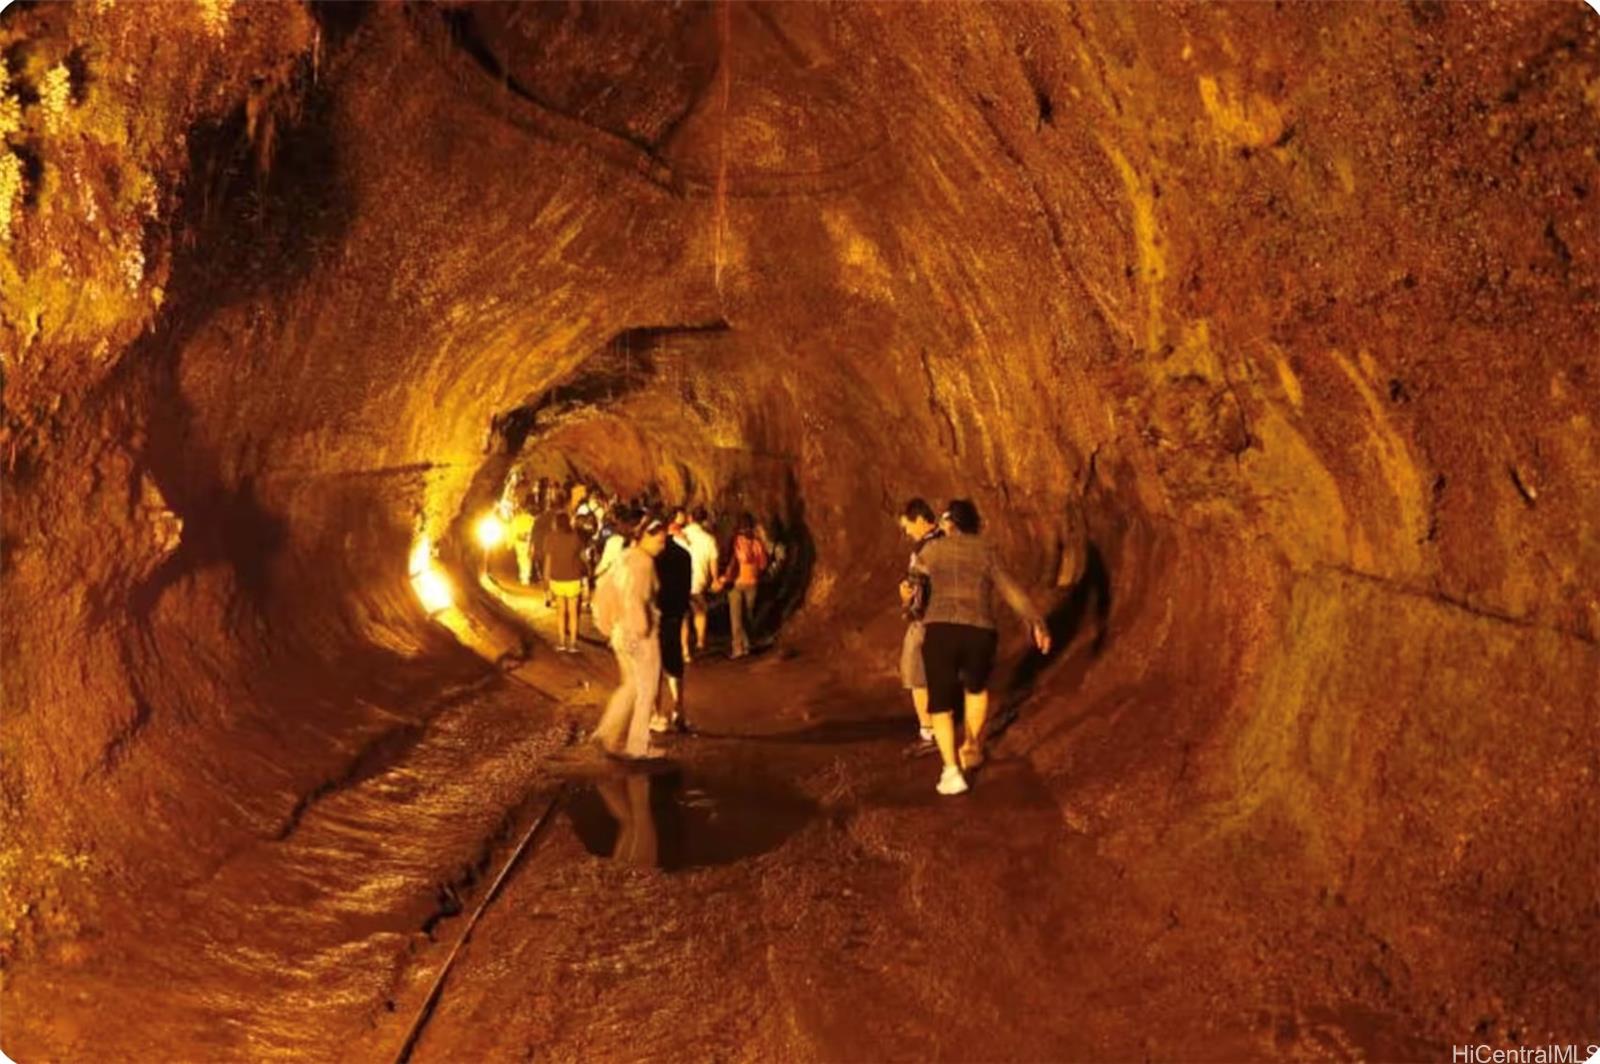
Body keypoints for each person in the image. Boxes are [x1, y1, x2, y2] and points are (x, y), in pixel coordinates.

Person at [914, 498, 1050, 796]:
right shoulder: (987, 551)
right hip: (979, 631)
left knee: (940, 702)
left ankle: (951, 772)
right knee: (975, 689)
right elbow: (1009, 589)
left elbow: (914, 584)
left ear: (948, 523)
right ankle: (972, 746)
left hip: (941, 630)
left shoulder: (932, 550)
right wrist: (1035, 621)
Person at [592, 514, 670, 760]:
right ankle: (638, 746)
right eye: (659, 542)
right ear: (645, 537)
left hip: (619, 632)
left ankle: (606, 733)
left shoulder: (623, 558)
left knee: (630, 687)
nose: (662, 547)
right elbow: (635, 598)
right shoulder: (643, 563)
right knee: (646, 690)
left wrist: (607, 625)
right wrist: (642, 629)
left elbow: (603, 591)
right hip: (639, 633)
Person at [897, 498, 943, 751]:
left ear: (921, 520)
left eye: (908, 526)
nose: (907, 532)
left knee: (915, 671)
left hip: (927, 617)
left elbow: (917, 587)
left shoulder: (925, 548)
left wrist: (907, 601)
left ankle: (929, 732)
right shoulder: (950, 539)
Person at [651, 518, 694, 734]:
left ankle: (657, 714)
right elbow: (686, 587)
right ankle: (678, 710)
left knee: (653, 668)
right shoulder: (684, 555)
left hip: (654, 617)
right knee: (674, 664)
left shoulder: (651, 558)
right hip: (674, 616)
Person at [721, 513, 768, 659]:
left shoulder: (735, 541)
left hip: (736, 582)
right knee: (748, 615)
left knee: (736, 617)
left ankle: (738, 648)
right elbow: (763, 563)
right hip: (752, 582)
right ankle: (747, 645)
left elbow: (727, 558)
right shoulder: (757, 543)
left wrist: (723, 576)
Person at [543, 511, 587, 653]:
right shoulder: (575, 538)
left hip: (557, 579)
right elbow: (582, 558)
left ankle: (561, 642)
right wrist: (586, 577)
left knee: (561, 612)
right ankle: (573, 644)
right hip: (573, 579)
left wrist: (546, 581)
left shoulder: (550, 538)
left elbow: (548, 562)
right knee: (573, 613)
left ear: (556, 523)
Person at [681, 507, 720, 661]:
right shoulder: (709, 539)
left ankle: (685, 650)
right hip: (699, 581)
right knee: (700, 611)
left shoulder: (679, 535)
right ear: (704, 520)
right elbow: (713, 562)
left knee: (683, 617)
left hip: (680, 582)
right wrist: (715, 579)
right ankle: (700, 640)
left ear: (690, 518)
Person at [509, 495, 536, 586]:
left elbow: (512, 531)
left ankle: (525, 577)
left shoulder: (522, 519)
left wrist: (510, 542)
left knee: (523, 559)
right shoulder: (530, 519)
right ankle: (525, 577)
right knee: (526, 559)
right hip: (524, 540)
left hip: (522, 541)